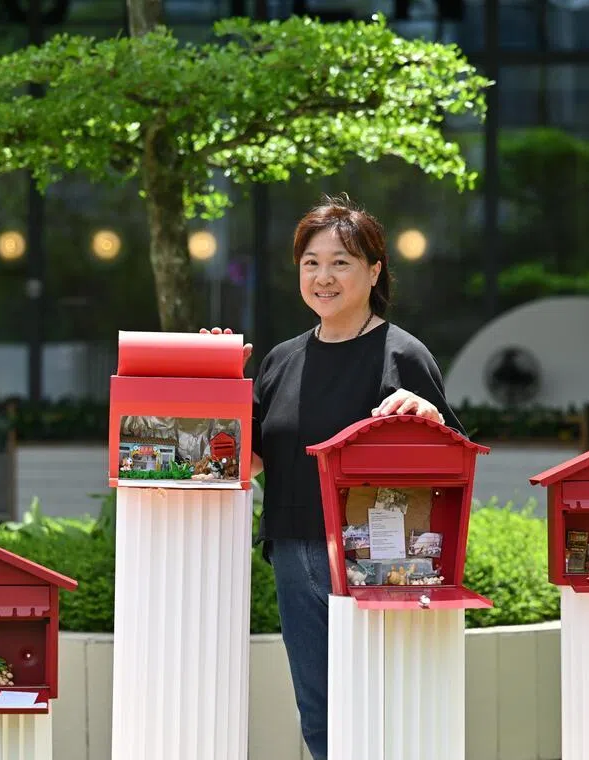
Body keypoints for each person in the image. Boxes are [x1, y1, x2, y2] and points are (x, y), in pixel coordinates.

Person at [204, 194, 464, 759]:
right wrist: (215, 380)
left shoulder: (403, 355)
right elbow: (249, 459)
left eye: (341, 262)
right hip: (293, 552)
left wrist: (429, 417)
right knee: (319, 714)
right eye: (311, 263)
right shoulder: (280, 360)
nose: (323, 277)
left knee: (382, 704)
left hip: (377, 557)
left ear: (373, 272)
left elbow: (452, 461)